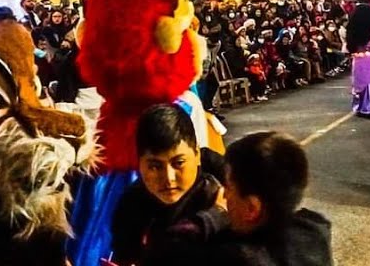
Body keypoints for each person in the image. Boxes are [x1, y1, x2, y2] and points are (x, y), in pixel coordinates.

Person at [185, 132, 333, 266]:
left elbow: (175, 252)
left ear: (252, 208)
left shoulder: (237, 258)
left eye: (229, 187)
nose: (223, 194)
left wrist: (211, 217)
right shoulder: (314, 232)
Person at [109, 104, 224, 266]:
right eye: (155, 166)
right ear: (139, 163)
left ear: (197, 155)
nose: (168, 178)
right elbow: (125, 256)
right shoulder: (131, 204)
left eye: (179, 163)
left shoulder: (222, 196)